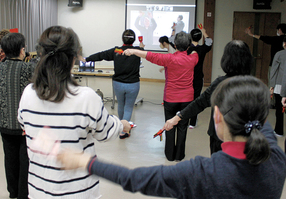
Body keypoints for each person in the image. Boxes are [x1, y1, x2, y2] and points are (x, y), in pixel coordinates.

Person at [57, 76, 286, 199]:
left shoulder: (203, 174)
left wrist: (86, 163)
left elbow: (134, 179)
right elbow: (259, 116)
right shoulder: (276, 157)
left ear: (217, 116)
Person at [17, 26, 131, 199]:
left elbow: (23, 123)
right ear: (73, 58)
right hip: (78, 192)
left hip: (38, 190)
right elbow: (105, 133)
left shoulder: (28, 93)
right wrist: (122, 125)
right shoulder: (86, 97)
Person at [163, 40, 253, 154]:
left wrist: (177, 117)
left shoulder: (221, 83)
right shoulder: (254, 85)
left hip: (221, 137)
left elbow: (200, 103)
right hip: (246, 137)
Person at [123, 31, 198, 161]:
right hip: (187, 99)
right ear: (188, 46)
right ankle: (180, 155)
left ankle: (169, 155)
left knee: (169, 126)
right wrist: (191, 48)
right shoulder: (193, 58)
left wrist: (133, 51)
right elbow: (195, 51)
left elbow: (150, 55)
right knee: (182, 127)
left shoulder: (169, 59)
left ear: (174, 44)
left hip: (170, 98)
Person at [0, 33, 35, 199]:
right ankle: (23, 194)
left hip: (4, 123)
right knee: (25, 161)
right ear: (21, 49)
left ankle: (13, 193)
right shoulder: (27, 68)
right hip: (23, 125)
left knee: (9, 160)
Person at [86, 29, 143, 139]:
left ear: (122, 39)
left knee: (121, 105)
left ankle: (120, 127)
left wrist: (87, 59)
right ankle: (124, 130)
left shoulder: (117, 50)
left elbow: (101, 55)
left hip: (118, 83)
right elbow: (144, 51)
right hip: (133, 84)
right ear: (134, 40)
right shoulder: (137, 50)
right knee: (128, 107)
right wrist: (141, 46)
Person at [188, 27, 213, 129]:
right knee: (196, 99)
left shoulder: (187, 49)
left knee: (186, 98)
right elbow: (209, 42)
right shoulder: (202, 49)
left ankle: (184, 118)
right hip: (198, 77)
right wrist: (204, 32)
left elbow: (172, 41)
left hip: (187, 77)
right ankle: (192, 123)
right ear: (199, 38)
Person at [269, 36, 286, 137]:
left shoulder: (279, 54)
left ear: (284, 43)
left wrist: (272, 85)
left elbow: (274, 71)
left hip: (280, 85)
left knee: (279, 110)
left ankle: (279, 130)